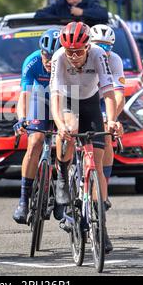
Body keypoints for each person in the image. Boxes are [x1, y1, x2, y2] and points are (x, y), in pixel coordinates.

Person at [50, 21, 120, 253]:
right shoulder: (59, 57)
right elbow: (56, 96)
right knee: (69, 129)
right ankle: (62, 175)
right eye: (71, 52)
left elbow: (109, 90)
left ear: (88, 47)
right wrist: (60, 125)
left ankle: (102, 228)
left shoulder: (99, 54)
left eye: (79, 52)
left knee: (96, 164)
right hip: (69, 100)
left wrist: (111, 120)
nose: (75, 56)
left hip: (90, 101)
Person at [12, 28, 61, 224]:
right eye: (45, 54)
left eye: (53, 56)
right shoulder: (32, 61)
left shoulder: (67, 63)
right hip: (39, 100)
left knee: (66, 143)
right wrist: (22, 118)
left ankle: (63, 193)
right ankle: (23, 202)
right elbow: (24, 95)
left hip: (66, 99)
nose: (48, 60)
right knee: (35, 142)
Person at [90, 24, 125, 207]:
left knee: (105, 137)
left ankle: (104, 186)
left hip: (104, 99)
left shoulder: (115, 60)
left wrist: (110, 119)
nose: (103, 51)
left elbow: (119, 96)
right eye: (98, 46)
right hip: (83, 98)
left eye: (107, 47)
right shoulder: (83, 57)